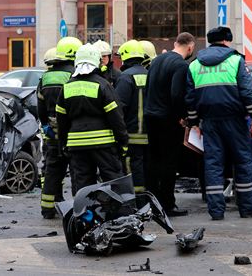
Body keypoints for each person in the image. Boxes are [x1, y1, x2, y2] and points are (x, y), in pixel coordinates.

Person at [185, 26, 252, 220]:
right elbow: (247, 92)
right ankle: (247, 208)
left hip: (209, 122)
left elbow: (190, 99)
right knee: (242, 162)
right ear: (227, 40)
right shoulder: (236, 61)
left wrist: (194, 122)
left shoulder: (194, 65)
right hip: (235, 120)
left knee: (212, 165)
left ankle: (216, 211)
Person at [55, 43, 129, 194]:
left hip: (77, 145)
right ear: (96, 61)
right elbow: (116, 117)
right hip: (103, 144)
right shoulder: (103, 84)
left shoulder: (67, 87)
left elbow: (61, 120)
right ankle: (118, 214)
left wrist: (62, 144)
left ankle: (84, 215)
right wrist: (123, 141)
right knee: (113, 180)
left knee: (82, 183)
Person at [144, 32, 195, 216]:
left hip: (150, 116)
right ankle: (168, 205)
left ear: (175, 43)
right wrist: (182, 116)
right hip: (167, 120)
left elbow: (148, 87)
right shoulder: (181, 65)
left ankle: (151, 203)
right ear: (190, 47)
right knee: (169, 163)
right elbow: (176, 94)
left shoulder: (157, 60)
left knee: (153, 162)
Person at [38, 37, 82, 219]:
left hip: (52, 134)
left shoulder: (46, 77)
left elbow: (40, 108)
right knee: (78, 172)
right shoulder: (74, 75)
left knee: (52, 172)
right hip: (71, 132)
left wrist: (47, 125)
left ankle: (47, 208)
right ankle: (78, 209)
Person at [115, 40, 148, 193]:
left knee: (131, 168)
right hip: (149, 134)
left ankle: (135, 200)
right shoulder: (150, 74)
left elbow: (119, 108)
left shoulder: (125, 77)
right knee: (145, 167)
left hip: (131, 134)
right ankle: (145, 200)